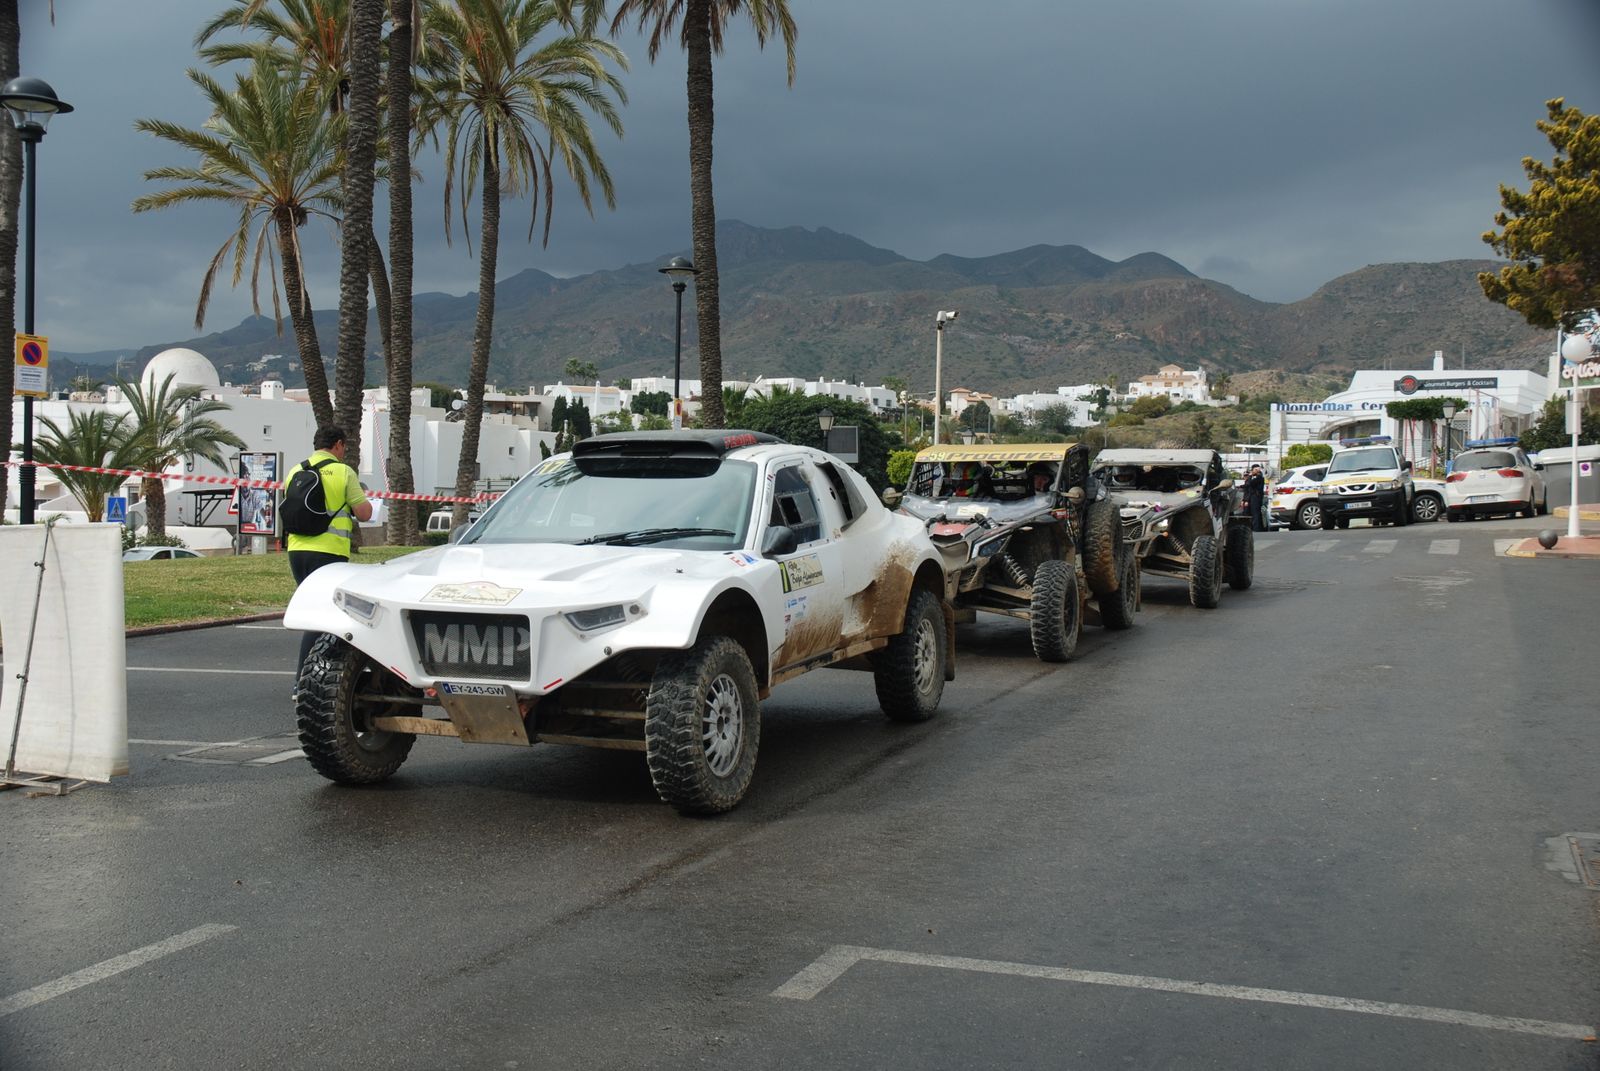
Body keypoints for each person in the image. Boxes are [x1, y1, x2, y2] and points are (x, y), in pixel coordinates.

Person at [286, 425, 373, 679]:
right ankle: (304, 680)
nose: (344, 451)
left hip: (297, 551)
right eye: (344, 447)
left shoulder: (296, 470)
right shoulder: (343, 472)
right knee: (323, 616)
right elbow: (364, 514)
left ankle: (318, 675)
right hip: (328, 553)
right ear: (338, 444)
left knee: (318, 611)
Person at [1244, 464, 1267, 531]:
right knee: (1250, 513)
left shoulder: (1259, 477)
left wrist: (1250, 476)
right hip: (1251, 497)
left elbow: (1251, 483)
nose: (1256, 471)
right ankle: (1254, 528)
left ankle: (1256, 528)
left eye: (1258, 469)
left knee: (1256, 513)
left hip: (1256, 497)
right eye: (1255, 469)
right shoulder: (1252, 477)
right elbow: (1247, 487)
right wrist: (1246, 500)